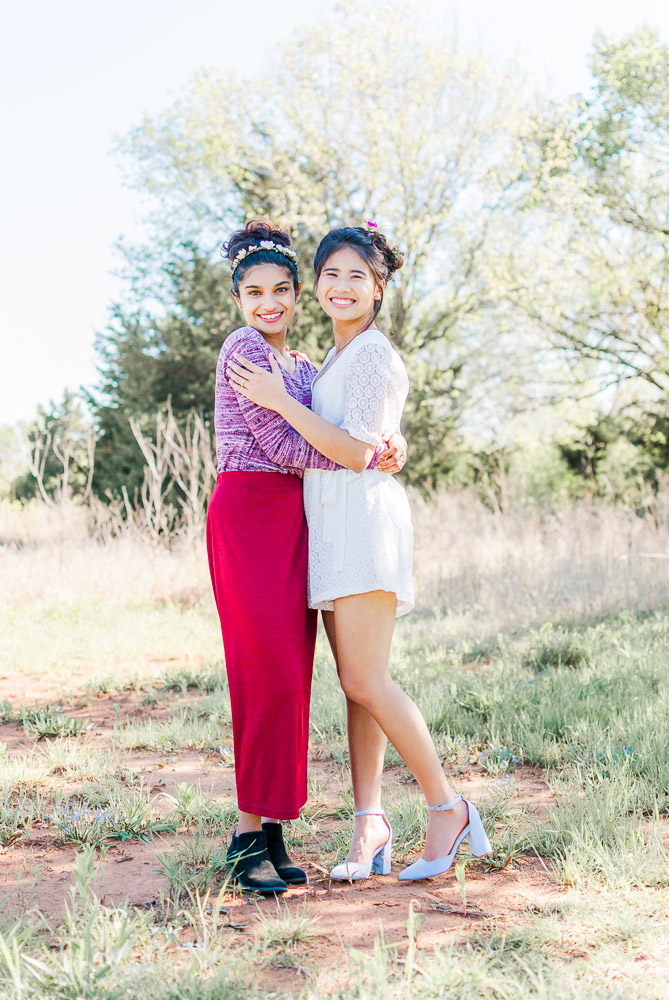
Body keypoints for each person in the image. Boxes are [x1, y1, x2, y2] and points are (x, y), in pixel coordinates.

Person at [227, 224, 492, 882]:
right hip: (327, 527)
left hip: (362, 526)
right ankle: (369, 821)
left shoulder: (368, 353)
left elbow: (351, 449)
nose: (341, 287)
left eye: (357, 277)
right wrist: (382, 442)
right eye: (331, 275)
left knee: (367, 680)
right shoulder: (328, 360)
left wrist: (289, 406)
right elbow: (359, 435)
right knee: (354, 684)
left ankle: (448, 807)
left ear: (378, 289)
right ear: (315, 285)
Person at [208, 219, 405, 894]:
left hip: (296, 521)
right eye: (254, 292)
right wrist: (362, 456)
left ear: (297, 295)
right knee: (261, 671)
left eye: (280, 290)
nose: (268, 303)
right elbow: (284, 446)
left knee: (291, 676)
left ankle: (273, 828)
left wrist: (382, 444)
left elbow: (343, 425)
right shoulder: (243, 349)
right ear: (238, 299)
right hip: (248, 514)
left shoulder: (300, 365)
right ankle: (244, 834)